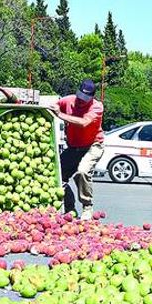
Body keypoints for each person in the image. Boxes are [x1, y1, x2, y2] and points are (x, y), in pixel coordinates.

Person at [49, 79, 104, 220]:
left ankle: (87, 206)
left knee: (82, 171)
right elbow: (53, 106)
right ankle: (69, 209)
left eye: (85, 99)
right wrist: (53, 108)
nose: (81, 101)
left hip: (93, 145)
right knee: (58, 176)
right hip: (74, 147)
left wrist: (60, 115)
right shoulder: (68, 100)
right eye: (80, 97)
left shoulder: (97, 107)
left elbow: (84, 122)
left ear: (92, 97)